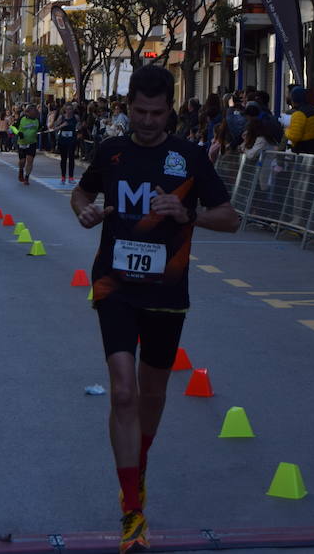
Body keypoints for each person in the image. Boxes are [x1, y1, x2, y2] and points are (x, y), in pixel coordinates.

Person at [70, 65, 239, 553]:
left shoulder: (188, 158)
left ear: (170, 109)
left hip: (166, 294)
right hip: (114, 286)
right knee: (123, 391)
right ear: (127, 107)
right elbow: (85, 190)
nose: (147, 121)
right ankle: (131, 509)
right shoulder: (111, 151)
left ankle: (137, 469)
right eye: (139, 111)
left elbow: (231, 218)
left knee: (152, 395)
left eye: (156, 113)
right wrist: (82, 209)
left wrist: (190, 214)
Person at [15, 104, 41, 184]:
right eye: (33, 111)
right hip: (22, 143)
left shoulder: (37, 120)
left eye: (35, 111)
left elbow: (41, 128)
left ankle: (26, 178)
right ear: (28, 112)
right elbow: (12, 127)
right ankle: (20, 170)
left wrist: (43, 129)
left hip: (32, 143)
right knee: (22, 161)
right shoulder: (21, 119)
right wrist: (18, 133)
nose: (35, 113)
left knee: (30, 161)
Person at [57, 102, 81, 184]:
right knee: (63, 159)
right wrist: (62, 126)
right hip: (63, 140)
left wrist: (78, 127)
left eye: (70, 109)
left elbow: (79, 126)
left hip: (72, 140)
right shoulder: (61, 117)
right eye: (67, 109)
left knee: (71, 158)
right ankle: (63, 177)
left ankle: (71, 177)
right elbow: (54, 127)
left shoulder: (76, 117)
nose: (69, 111)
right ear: (65, 110)